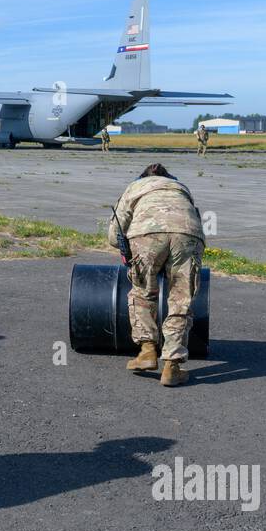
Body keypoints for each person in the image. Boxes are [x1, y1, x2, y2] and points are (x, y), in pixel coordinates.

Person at [106, 163, 205, 387]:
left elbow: (114, 234)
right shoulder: (181, 187)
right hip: (188, 235)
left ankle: (147, 351)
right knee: (181, 301)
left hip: (146, 234)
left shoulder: (135, 187)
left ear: (143, 177)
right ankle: (172, 366)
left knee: (143, 293)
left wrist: (129, 251)